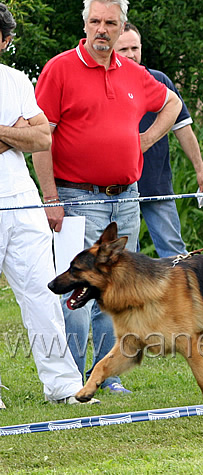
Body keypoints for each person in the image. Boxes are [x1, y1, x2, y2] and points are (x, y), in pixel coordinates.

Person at [32, 0, 181, 395]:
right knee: (77, 290)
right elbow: (40, 136)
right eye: (95, 21)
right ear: (86, 25)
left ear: (120, 28)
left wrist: (145, 140)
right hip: (76, 197)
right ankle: (68, 380)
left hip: (125, 198)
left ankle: (106, 375)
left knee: (113, 292)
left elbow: (172, 103)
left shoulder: (134, 73)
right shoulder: (59, 68)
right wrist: (50, 196)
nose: (102, 29)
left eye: (110, 23)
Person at [0, 3, 97, 406]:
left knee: (42, 293)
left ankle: (62, 385)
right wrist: (17, 130)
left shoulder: (16, 80)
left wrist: (8, 133)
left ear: (4, 41)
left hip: (22, 201)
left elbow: (43, 139)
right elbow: (31, 134)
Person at [114, 23, 203, 257]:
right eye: (124, 49)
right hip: (117, 188)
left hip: (157, 184)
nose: (131, 54)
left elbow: (184, 129)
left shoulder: (159, 81)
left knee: (174, 252)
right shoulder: (104, 84)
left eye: (135, 48)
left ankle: (181, 294)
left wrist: (201, 170)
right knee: (125, 258)